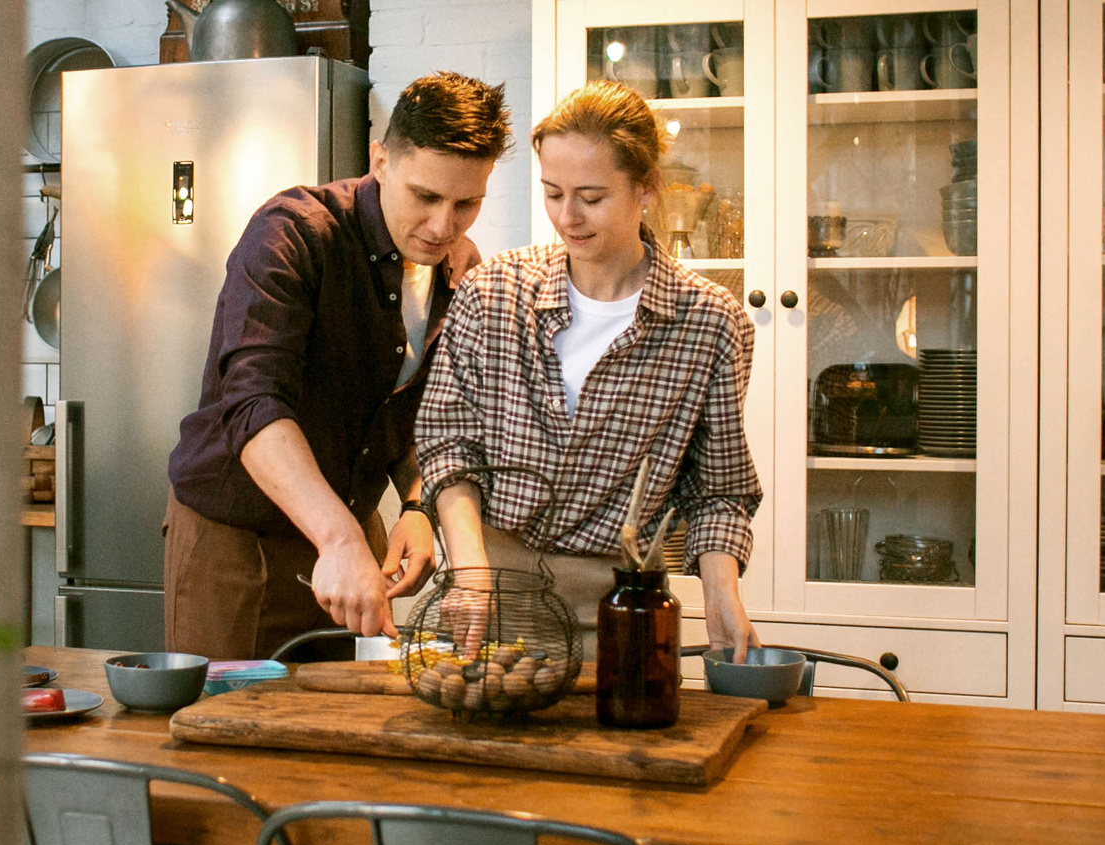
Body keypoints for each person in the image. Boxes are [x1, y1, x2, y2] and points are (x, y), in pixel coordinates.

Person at [163, 71, 512, 662]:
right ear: (380, 160)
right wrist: (338, 535)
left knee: (341, 736)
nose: (442, 226)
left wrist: (417, 505)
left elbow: (422, 413)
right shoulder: (292, 233)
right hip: (240, 543)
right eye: (425, 197)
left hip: (352, 542)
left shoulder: (457, 265)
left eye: (466, 204)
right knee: (229, 739)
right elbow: (253, 401)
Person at [416, 80, 764, 660]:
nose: (567, 217)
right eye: (553, 193)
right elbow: (447, 445)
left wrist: (723, 592)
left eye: (592, 197)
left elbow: (718, 490)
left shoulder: (709, 323)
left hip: (622, 611)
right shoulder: (494, 291)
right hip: (488, 593)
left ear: (646, 188)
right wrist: (470, 567)